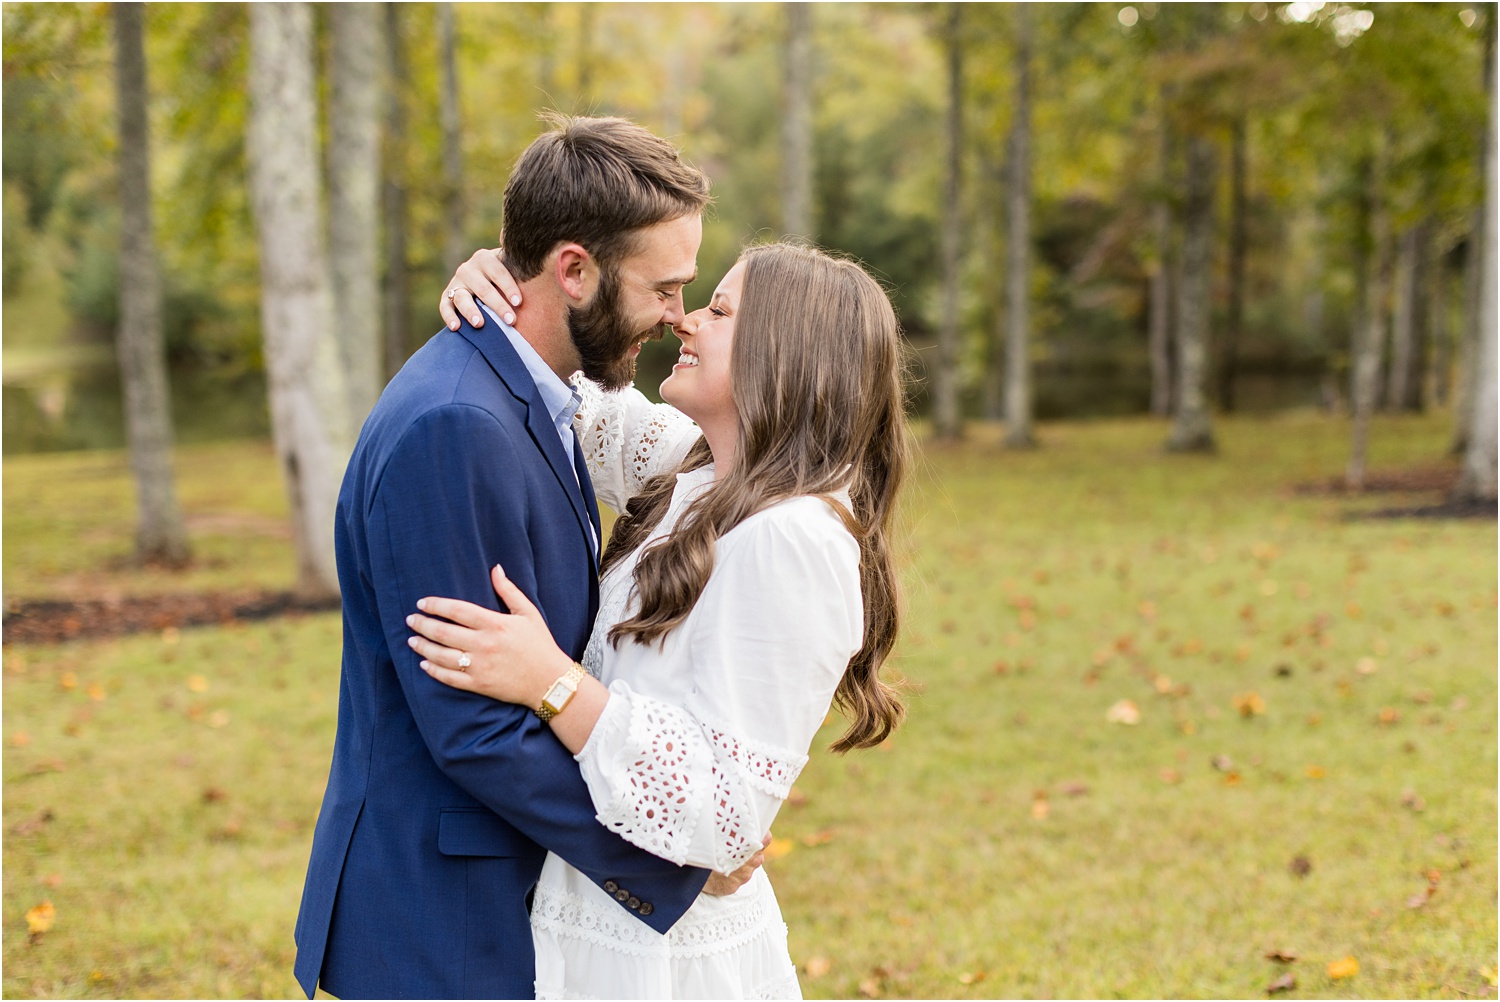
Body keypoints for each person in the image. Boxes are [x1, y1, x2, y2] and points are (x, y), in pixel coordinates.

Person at [293, 115, 765, 1001]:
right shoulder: (455, 425)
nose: (674, 318)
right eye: (662, 290)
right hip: (442, 923)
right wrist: (674, 864)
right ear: (574, 269)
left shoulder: (536, 400)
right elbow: (473, 726)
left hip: (493, 901)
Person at [408, 241, 909, 999]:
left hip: (665, 961)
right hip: (597, 917)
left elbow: (728, 822)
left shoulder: (792, 539)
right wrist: (510, 283)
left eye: (720, 309)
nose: (687, 321)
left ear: (788, 353)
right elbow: (582, 399)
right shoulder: (704, 473)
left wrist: (551, 684)